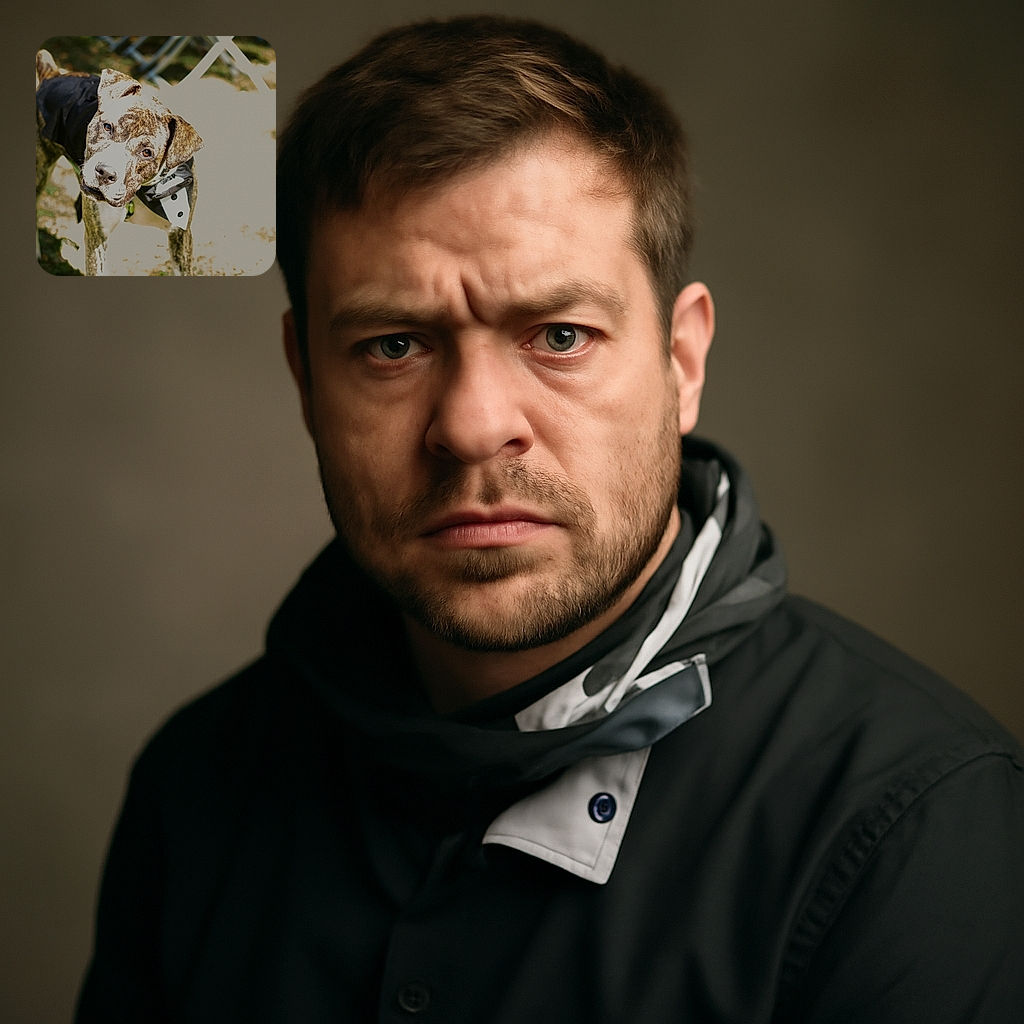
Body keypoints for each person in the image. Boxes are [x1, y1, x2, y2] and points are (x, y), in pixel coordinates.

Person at [75, 15, 1024, 1023]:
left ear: (681, 360)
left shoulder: (919, 830)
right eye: (392, 346)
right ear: (305, 378)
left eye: (559, 334)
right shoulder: (199, 786)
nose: (474, 427)